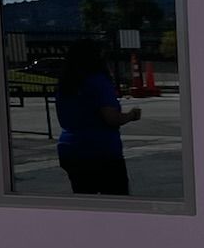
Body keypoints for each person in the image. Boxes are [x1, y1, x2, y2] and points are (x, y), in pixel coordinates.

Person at [53, 40, 140, 196]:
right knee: (116, 203)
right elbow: (111, 118)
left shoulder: (66, 85)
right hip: (100, 150)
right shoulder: (97, 82)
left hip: (70, 148)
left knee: (85, 200)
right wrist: (131, 115)